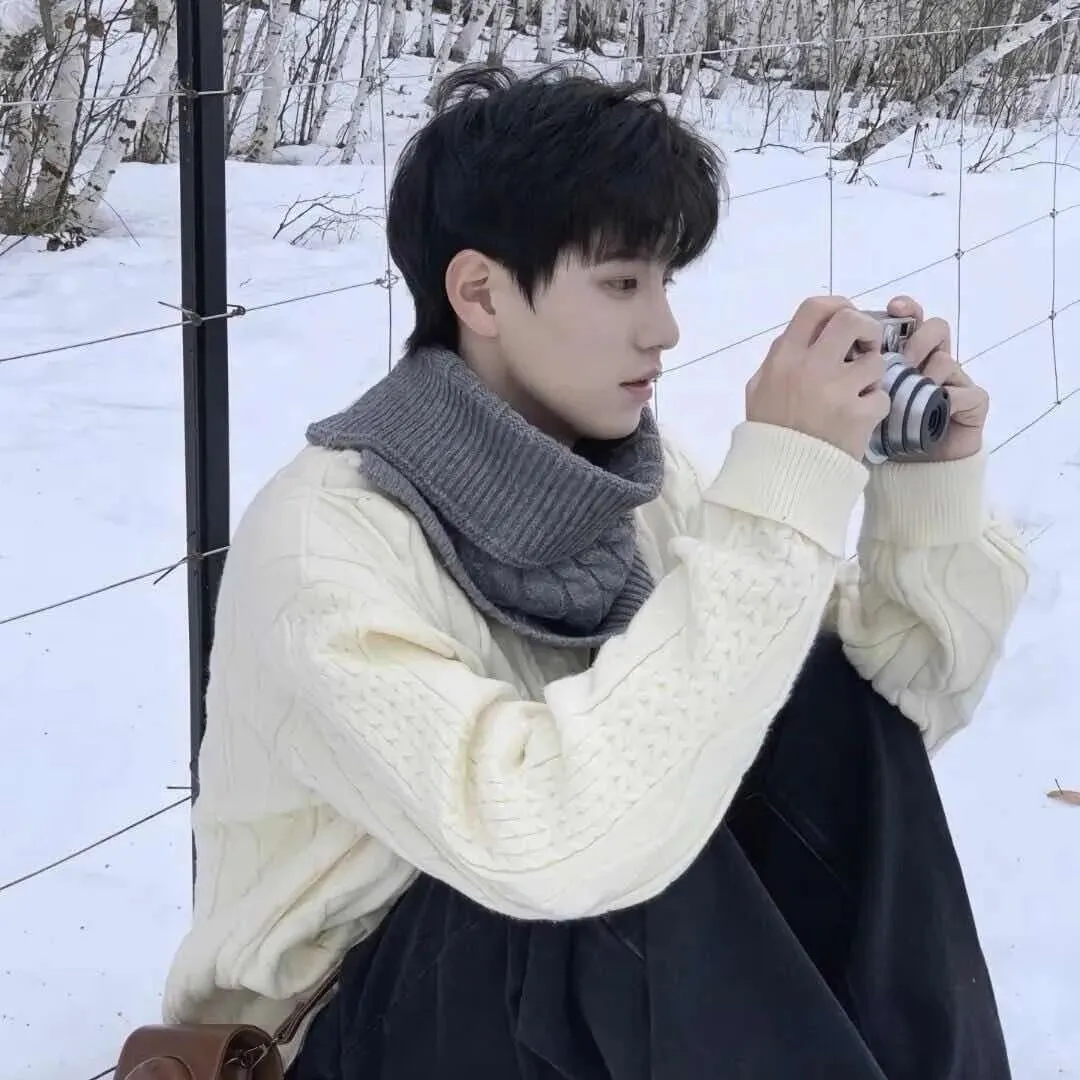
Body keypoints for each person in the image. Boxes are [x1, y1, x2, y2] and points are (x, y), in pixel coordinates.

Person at [162, 63, 1030, 1079]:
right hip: (339, 1025)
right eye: (621, 284)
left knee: (817, 689)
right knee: (610, 838)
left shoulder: (634, 487)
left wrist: (928, 488)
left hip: (553, 981)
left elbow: (897, 718)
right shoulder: (325, 540)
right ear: (480, 292)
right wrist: (779, 501)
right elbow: (547, 840)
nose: (664, 328)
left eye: (665, 282)